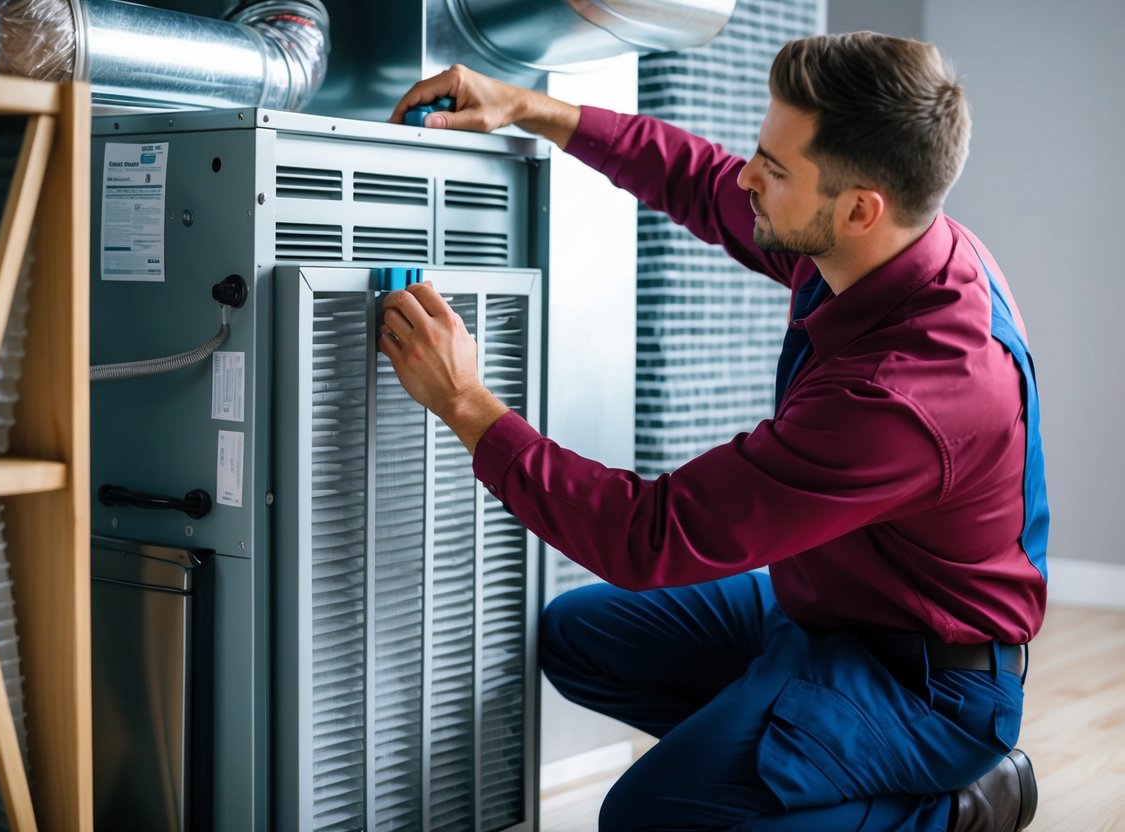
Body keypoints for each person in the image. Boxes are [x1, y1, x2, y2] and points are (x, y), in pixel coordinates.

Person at [381, 31, 1047, 832]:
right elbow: (697, 180)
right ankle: (791, 744)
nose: (746, 176)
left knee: (646, 819)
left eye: (774, 167)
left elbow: (647, 535)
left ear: (859, 207)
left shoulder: (903, 396)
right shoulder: (880, 244)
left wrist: (464, 402)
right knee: (580, 635)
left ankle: (958, 806)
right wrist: (528, 107)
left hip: (924, 684)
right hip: (822, 613)